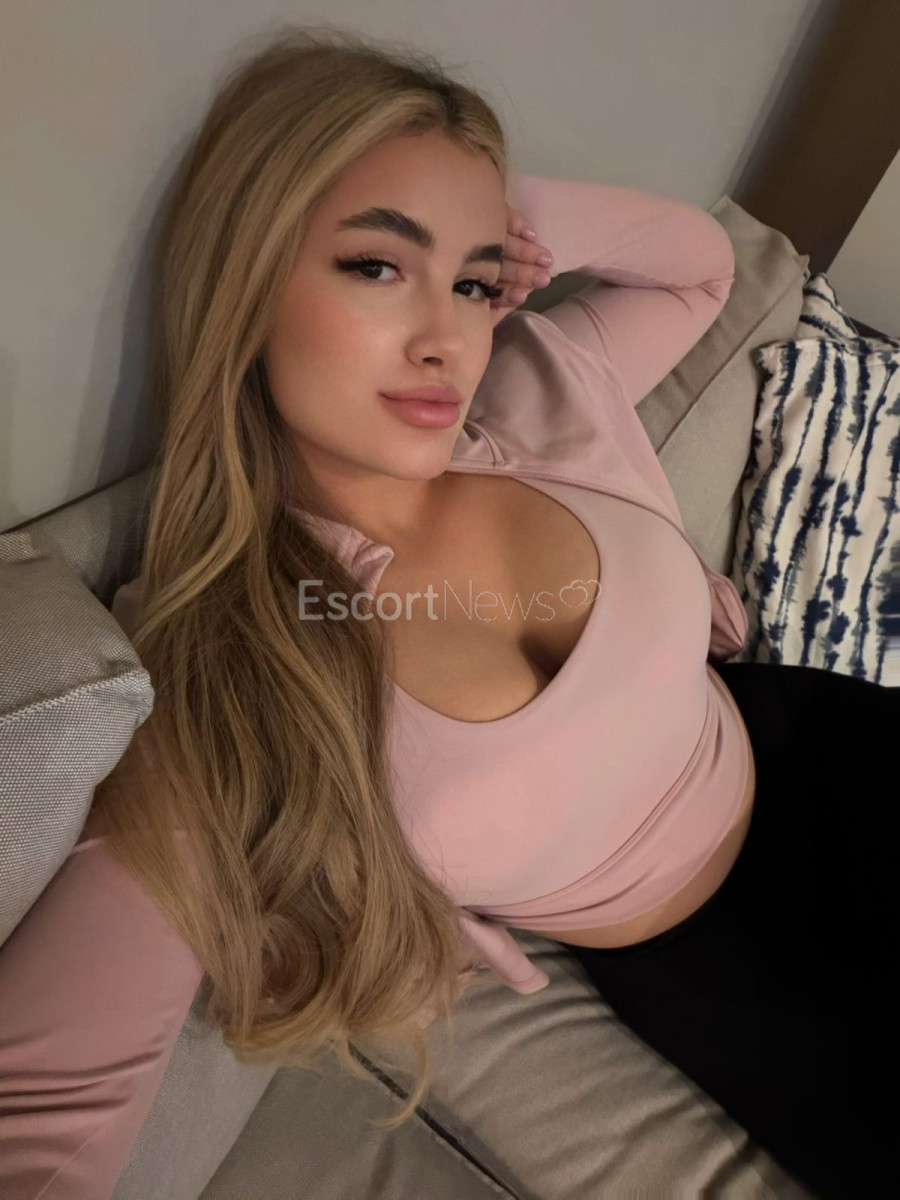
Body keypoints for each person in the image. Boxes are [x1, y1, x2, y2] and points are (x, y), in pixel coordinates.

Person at [1, 24, 895, 1200]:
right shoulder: (238, 675)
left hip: (818, 744)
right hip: (716, 965)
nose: (447, 339)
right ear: (246, 278)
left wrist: (514, 218)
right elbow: (37, 1130)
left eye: (473, 283)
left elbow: (701, 269)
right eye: (378, 266)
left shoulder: (534, 394)